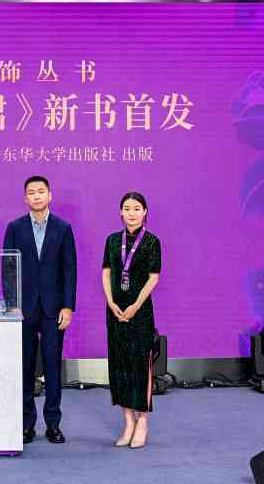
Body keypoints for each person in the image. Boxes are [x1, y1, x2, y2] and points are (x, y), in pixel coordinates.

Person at [3, 175, 77, 445]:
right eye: (31, 192)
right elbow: (8, 268)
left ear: (49, 195)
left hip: (53, 309)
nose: (36, 196)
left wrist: (68, 307)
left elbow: (70, 270)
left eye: (41, 191)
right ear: (25, 198)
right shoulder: (15, 227)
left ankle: (53, 424)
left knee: (52, 366)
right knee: (24, 366)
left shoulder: (63, 228)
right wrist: (11, 304)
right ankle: (26, 424)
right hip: (23, 309)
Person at [102, 191, 161, 449]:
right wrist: (110, 302)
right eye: (127, 208)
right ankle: (128, 421)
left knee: (139, 365)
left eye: (137, 208)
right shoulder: (112, 241)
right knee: (120, 365)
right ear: (120, 212)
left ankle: (143, 421)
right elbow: (106, 273)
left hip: (140, 313)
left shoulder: (152, 241)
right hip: (115, 312)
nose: (132, 213)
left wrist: (136, 305)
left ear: (145, 211)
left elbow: (154, 277)